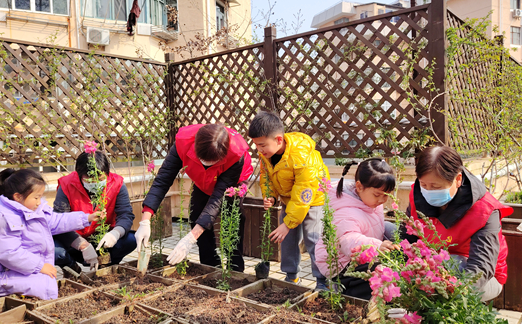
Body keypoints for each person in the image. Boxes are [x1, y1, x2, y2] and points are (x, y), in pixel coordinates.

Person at [0, 169, 101, 300]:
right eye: (36, 197)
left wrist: (86, 218)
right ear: (18, 197)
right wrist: (40, 266)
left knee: (47, 281)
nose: (39, 202)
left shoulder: (31, 208)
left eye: (40, 197)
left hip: (16, 269)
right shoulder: (0, 219)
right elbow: (11, 254)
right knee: (43, 285)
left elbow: (56, 220)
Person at [401, 145, 513, 302]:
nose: (428, 191)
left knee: (449, 262)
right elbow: (406, 235)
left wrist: (456, 290)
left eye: (436, 186)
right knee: (385, 232)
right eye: (424, 185)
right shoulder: (419, 194)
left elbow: (481, 267)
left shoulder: (485, 210)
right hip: (432, 262)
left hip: (479, 277)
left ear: (458, 179)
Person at [136, 124, 253, 270]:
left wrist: (190, 238)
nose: (207, 165)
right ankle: (210, 267)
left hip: (232, 184)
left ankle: (235, 270)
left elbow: (217, 199)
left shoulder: (236, 155)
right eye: (203, 160)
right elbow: (163, 179)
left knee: (232, 222)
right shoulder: (183, 143)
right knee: (196, 215)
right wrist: (145, 221)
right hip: (202, 182)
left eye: (212, 162)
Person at [248, 111, 329, 291]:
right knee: (288, 240)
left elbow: (303, 193)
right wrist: (269, 195)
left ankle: (322, 280)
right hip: (288, 199)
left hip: (312, 199)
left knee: (313, 239)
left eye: (262, 145)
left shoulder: (302, 156)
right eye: (256, 146)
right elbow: (266, 176)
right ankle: (291, 276)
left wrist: (287, 223)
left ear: (278, 139)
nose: (259, 150)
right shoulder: (267, 154)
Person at [315, 159, 398, 299]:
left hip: (360, 255)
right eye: (378, 195)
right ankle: (347, 292)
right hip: (342, 264)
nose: (382, 200)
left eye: (387, 195)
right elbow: (348, 241)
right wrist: (377, 246)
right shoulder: (346, 212)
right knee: (378, 281)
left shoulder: (369, 200)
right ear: (359, 187)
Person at [53, 151, 136, 270]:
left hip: (102, 239)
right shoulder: (67, 185)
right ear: (79, 175)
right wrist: (83, 245)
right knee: (56, 252)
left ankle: (108, 265)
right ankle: (71, 268)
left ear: (107, 173)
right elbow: (60, 221)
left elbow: (125, 214)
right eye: (90, 181)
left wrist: (115, 233)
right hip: (74, 241)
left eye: (100, 179)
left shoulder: (116, 184)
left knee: (130, 240)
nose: (96, 184)